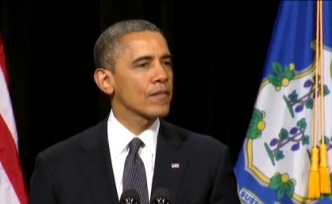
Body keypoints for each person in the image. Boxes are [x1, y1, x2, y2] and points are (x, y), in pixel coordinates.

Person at [28, 19, 241, 204]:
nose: (162, 75)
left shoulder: (208, 158)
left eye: (166, 62)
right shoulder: (58, 166)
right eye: (143, 64)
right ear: (105, 81)